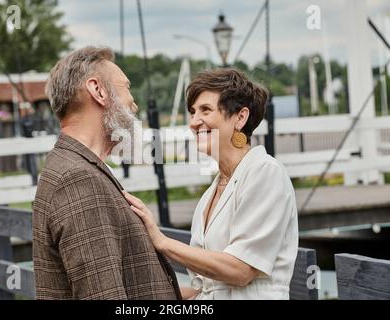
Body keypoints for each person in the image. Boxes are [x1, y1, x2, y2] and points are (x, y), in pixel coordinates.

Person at [124, 68, 299, 299]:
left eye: (205, 110)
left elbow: (241, 270)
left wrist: (162, 242)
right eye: (192, 112)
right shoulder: (210, 195)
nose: (194, 122)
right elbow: (208, 289)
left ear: (240, 117)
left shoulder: (264, 172)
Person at [32, 46, 181, 300]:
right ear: (98, 91)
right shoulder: (77, 179)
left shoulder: (76, 166)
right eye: (126, 88)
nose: (134, 104)